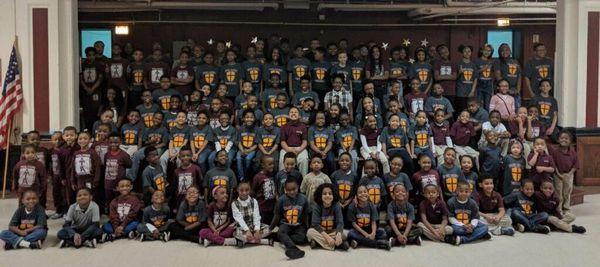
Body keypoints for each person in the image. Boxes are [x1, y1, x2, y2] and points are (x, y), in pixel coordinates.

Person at [270, 177, 310, 260]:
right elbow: (277, 215)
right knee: (281, 232)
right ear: (285, 189)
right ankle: (293, 248)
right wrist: (271, 228)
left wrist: (306, 227)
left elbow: (305, 215)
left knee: (302, 238)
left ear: (298, 187)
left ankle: (282, 238)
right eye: (288, 190)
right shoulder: (281, 200)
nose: (291, 192)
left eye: (294, 189)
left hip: (298, 225)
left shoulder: (304, 198)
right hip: (285, 224)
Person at [346, 185, 391, 250]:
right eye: (360, 192)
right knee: (350, 234)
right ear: (356, 195)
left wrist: (373, 233)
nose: (363, 194)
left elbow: (373, 222)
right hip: (358, 231)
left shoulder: (372, 205)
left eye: (365, 192)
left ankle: (359, 242)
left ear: (368, 193)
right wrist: (366, 234)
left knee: (383, 233)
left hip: (369, 229)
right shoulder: (352, 206)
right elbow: (354, 224)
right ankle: (378, 243)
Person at [445, 181, 491, 245]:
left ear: (470, 192)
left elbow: (475, 217)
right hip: (458, 226)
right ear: (456, 191)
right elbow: (451, 218)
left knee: (485, 227)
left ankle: (462, 239)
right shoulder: (451, 202)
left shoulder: (472, 203)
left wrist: (472, 226)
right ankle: (479, 235)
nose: (464, 193)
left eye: (466, 191)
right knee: (455, 230)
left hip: (470, 224)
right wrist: (463, 225)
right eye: (461, 191)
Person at [307, 183, 348, 251]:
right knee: (309, 232)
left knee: (343, 234)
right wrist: (327, 238)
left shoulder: (336, 204)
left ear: (333, 195)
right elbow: (315, 224)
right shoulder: (317, 205)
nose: (327, 196)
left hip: (332, 231)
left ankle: (318, 243)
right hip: (320, 232)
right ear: (320, 195)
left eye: (330, 193)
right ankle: (335, 245)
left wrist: (338, 234)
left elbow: (340, 222)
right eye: (324, 194)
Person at [232, 180, 273, 247]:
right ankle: (263, 241)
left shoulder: (254, 201)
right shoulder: (234, 203)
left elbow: (256, 216)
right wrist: (247, 230)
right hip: (242, 227)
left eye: (247, 190)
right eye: (241, 190)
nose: (244, 193)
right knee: (236, 233)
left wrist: (257, 230)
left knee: (269, 229)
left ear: (250, 190)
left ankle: (246, 241)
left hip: (253, 225)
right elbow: (239, 219)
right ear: (237, 190)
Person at [548, 130, 577, 213]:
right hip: (558, 175)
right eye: (562, 138)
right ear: (558, 140)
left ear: (570, 141)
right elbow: (554, 165)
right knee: (558, 192)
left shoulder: (573, 152)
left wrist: (569, 174)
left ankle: (566, 207)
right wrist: (558, 174)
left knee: (567, 192)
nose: (564, 140)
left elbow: (575, 165)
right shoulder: (555, 152)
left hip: (569, 175)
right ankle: (558, 208)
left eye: (566, 138)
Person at [103, 133, 132, 207]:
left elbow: (129, 164)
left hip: (119, 182)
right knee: (109, 199)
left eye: (116, 142)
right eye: (111, 142)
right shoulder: (107, 154)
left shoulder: (124, 155)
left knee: (120, 199)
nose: (113, 144)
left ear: (120, 142)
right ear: (108, 142)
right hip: (108, 182)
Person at [279, 107, 309, 175]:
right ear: (288, 115)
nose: (293, 113)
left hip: (300, 148)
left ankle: (302, 180)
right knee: (282, 160)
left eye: (295, 112)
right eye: (291, 112)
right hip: (287, 148)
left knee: (304, 160)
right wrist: (288, 149)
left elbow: (305, 141)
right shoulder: (284, 127)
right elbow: (282, 141)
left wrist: (299, 150)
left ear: (299, 116)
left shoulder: (303, 126)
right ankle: (283, 178)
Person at [80, 47, 104, 131]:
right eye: (89, 55)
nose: (91, 57)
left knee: (95, 110)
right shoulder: (82, 65)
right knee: (86, 111)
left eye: (93, 55)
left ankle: (95, 129)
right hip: (85, 92)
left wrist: (92, 88)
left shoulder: (99, 65)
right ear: (86, 55)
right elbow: (80, 78)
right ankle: (87, 129)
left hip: (96, 91)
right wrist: (86, 88)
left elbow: (100, 78)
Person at [455, 45, 478, 114]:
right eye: (465, 51)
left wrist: (473, 91)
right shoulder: (458, 64)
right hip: (461, 91)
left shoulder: (473, 65)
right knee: (461, 110)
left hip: (470, 91)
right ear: (462, 53)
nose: (467, 53)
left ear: (471, 53)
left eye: (469, 51)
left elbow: (475, 78)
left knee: (470, 110)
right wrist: (459, 73)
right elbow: (454, 78)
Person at [474, 44, 495, 110]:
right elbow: (474, 73)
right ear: (482, 51)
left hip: (488, 84)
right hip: (479, 84)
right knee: (478, 103)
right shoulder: (476, 61)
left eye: (489, 51)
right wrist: (483, 69)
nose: (487, 52)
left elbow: (494, 74)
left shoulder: (492, 62)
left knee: (487, 104)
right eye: (485, 50)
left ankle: (487, 119)